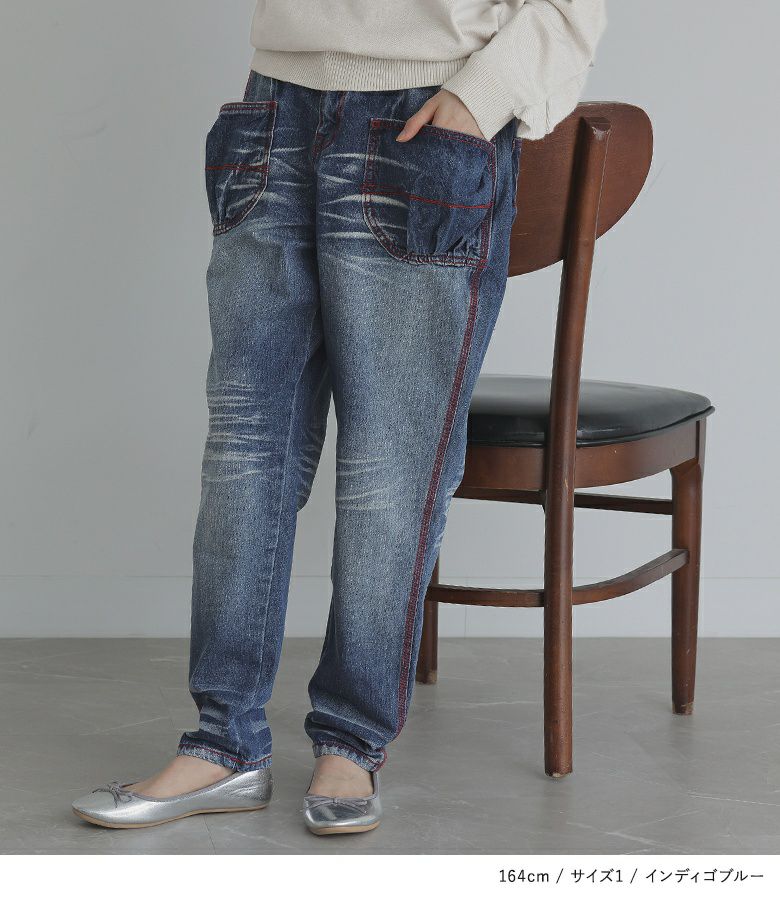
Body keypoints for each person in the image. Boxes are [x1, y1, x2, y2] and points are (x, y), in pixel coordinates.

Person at [73, 0, 606, 835]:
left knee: (390, 463)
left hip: (425, 113)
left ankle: (351, 743)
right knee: (244, 450)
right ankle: (222, 742)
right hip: (275, 105)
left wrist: (480, 98)